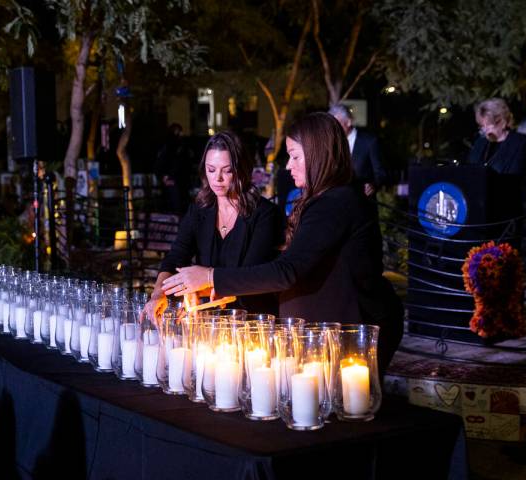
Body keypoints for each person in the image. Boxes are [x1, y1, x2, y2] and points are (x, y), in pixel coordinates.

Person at [162, 113, 404, 375]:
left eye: (295, 156)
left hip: (356, 327)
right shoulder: (326, 200)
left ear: (318, 154)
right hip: (332, 328)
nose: (289, 166)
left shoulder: (336, 203)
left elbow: (287, 271)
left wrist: (210, 276)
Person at [141, 131, 285, 321]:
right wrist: (159, 293)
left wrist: (205, 280)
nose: (217, 179)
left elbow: (251, 275)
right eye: (211, 170)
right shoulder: (200, 210)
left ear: (241, 170)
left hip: (255, 321)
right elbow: (176, 256)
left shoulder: (264, 214)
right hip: (211, 323)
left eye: (226, 170)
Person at [467, 98, 526, 185]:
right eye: (483, 126)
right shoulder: (479, 144)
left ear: (502, 122)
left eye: (489, 125)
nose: (485, 130)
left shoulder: (524, 143)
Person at [329, 104, 387, 197]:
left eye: (337, 124)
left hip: (363, 202)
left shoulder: (369, 142)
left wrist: (373, 185)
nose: (333, 129)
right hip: (337, 202)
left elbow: (381, 173)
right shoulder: (330, 144)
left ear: (348, 122)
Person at [154, 123, 193, 215]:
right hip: (174, 181)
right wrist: (165, 177)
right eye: (179, 132)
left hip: (178, 181)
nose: (181, 134)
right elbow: (163, 164)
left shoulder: (179, 146)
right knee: (176, 207)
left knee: (178, 207)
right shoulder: (171, 146)